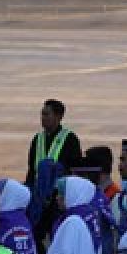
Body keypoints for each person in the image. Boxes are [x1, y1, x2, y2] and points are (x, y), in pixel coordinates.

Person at [25, 99, 83, 242]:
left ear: (58, 117)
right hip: (39, 197)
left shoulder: (69, 139)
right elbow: (31, 170)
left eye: (46, 114)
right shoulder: (37, 139)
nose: (43, 118)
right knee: (36, 237)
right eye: (42, 114)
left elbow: (75, 169)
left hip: (58, 198)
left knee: (57, 236)